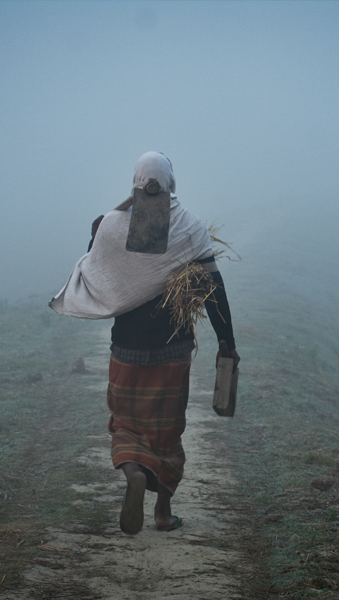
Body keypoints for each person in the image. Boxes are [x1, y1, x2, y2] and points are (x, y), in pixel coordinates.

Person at [50, 151, 239, 534]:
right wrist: (227, 344)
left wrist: (96, 231)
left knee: (126, 426)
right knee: (167, 433)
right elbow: (213, 292)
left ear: (135, 182)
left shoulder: (110, 226)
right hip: (173, 350)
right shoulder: (189, 227)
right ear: (170, 183)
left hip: (127, 350)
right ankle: (162, 513)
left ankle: (134, 472)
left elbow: (95, 269)